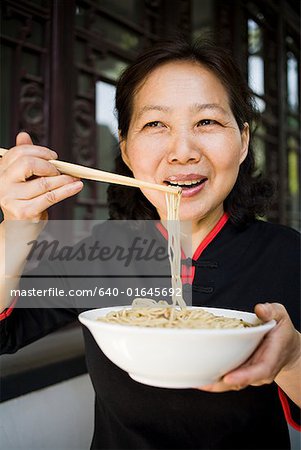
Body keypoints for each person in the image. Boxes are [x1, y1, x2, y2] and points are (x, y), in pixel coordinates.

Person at [0, 38, 300, 449]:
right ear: (125, 149)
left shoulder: (288, 255)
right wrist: (14, 227)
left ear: (243, 140)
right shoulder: (97, 253)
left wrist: (293, 358)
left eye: (207, 122)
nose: (183, 152)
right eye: (155, 124)